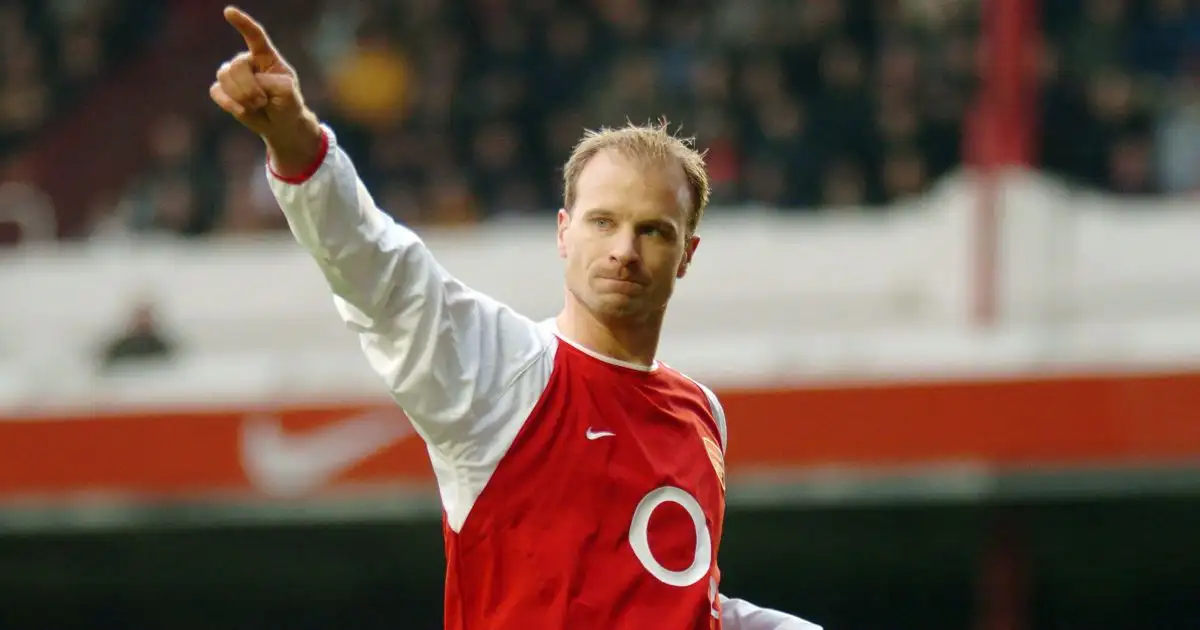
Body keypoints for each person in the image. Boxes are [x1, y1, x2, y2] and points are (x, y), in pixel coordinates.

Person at [210, 6, 822, 630]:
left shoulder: (700, 413)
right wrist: (295, 141)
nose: (624, 250)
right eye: (603, 222)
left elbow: (687, 604)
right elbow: (378, 271)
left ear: (686, 254)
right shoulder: (504, 368)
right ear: (564, 233)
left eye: (654, 231)